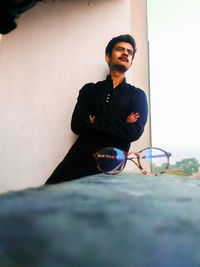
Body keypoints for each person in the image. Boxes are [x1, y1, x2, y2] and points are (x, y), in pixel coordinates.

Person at [45, 34, 148, 184]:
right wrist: (121, 123)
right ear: (108, 57)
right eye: (120, 49)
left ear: (131, 63)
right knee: (49, 197)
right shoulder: (89, 90)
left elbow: (134, 132)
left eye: (129, 52)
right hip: (77, 161)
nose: (125, 53)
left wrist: (94, 121)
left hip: (109, 167)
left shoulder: (137, 95)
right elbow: (77, 125)